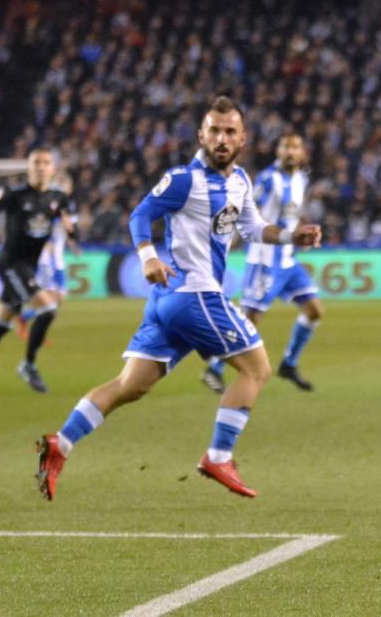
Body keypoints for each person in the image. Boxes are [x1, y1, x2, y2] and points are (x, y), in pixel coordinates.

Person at [35, 96, 321, 502]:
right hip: (194, 293)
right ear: (201, 135)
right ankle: (218, 456)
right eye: (214, 131)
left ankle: (59, 445)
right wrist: (148, 255)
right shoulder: (184, 179)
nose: (221, 138)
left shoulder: (240, 180)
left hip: (172, 301)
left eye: (230, 132)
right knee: (256, 370)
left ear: (243, 138)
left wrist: (294, 236)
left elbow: (254, 227)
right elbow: (139, 215)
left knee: (130, 385)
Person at [201, 133, 323, 394]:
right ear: (278, 150)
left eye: (295, 147)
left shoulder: (301, 178)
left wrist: (303, 231)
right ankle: (214, 368)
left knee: (314, 310)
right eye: (286, 146)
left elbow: (291, 214)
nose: (291, 151)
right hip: (264, 260)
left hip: (289, 260)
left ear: (303, 153)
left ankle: (289, 364)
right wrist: (227, 240)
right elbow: (247, 211)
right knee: (250, 320)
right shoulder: (269, 179)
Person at [0, 147, 77, 395]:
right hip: (10, 264)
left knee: (1, 324)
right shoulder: (13, 195)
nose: (40, 167)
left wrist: (71, 229)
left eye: (45, 163)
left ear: (53, 169)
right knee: (48, 308)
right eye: (35, 163)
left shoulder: (59, 198)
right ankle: (28, 365)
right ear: (28, 168)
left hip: (29, 266)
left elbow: (73, 232)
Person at [16, 172, 78, 338]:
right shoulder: (52, 205)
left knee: (58, 300)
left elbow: (67, 230)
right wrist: (48, 245)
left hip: (58, 261)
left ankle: (25, 318)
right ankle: (34, 329)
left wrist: (73, 245)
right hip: (47, 259)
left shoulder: (68, 207)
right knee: (51, 300)